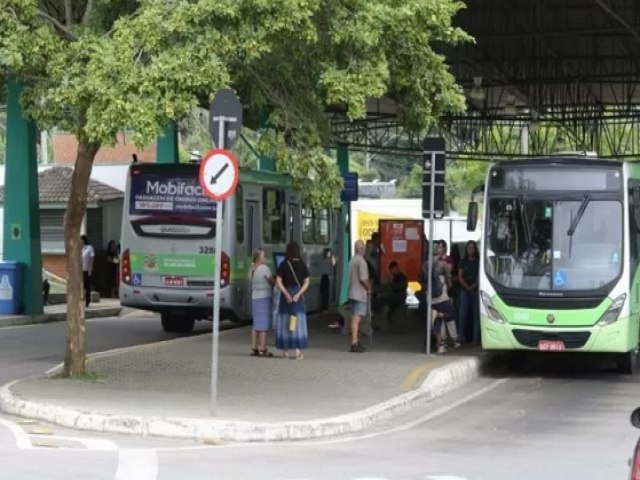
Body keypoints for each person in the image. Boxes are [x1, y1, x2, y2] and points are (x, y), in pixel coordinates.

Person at [275, 242, 310, 360]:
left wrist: (285, 293)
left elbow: (278, 281)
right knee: (296, 321)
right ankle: (297, 351)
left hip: (286, 296)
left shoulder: (284, 264)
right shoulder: (302, 265)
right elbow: (307, 282)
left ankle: (285, 352)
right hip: (297, 296)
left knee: (285, 321)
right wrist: (299, 294)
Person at [250, 248, 275, 357]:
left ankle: (254, 348)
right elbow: (272, 282)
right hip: (264, 297)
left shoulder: (252, 268)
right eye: (264, 256)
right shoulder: (264, 268)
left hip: (255, 297)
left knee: (256, 325)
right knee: (263, 325)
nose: (265, 258)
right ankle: (263, 349)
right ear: (259, 258)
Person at [348, 240, 370, 353]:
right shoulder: (361, 261)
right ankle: (354, 343)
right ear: (362, 249)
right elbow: (363, 279)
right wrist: (368, 288)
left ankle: (355, 341)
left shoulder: (352, 260)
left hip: (352, 292)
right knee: (356, 319)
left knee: (355, 318)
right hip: (359, 294)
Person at [458, 240, 480, 344]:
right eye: (469, 248)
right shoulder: (463, 261)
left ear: (475, 249)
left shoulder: (479, 262)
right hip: (464, 290)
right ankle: (460, 336)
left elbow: (480, 276)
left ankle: (475, 338)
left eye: (472, 248)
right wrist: (467, 287)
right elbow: (459, 276)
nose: (470, 250)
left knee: (476, 315)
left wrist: (473, 286)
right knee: (463, 314)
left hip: (475, 290)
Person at [81, 235, 95, 308]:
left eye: (81, 240)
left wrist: (90, 268)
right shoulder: (80, 248)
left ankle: (87, 301)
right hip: (80, 270)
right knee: (80, 286)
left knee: (87, 286)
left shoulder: (89, 248)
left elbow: (92, 257)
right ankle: (81, 301)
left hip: (86, 269)